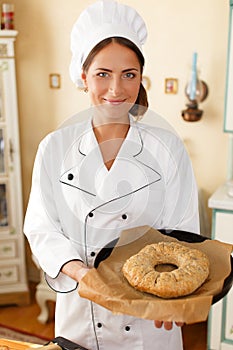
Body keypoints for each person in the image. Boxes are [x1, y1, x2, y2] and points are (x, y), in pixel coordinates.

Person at [24, 1, 200, 349]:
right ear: (83, 77)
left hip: (150, 321)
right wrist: (81, 272)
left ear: (140, 77)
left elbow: (184, 234)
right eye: (103, 74)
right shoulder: (55, 147)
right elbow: (41, 228)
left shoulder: (167, 148)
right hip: (82, 314)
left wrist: (175, 294)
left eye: (129, 74)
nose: (117, 90)